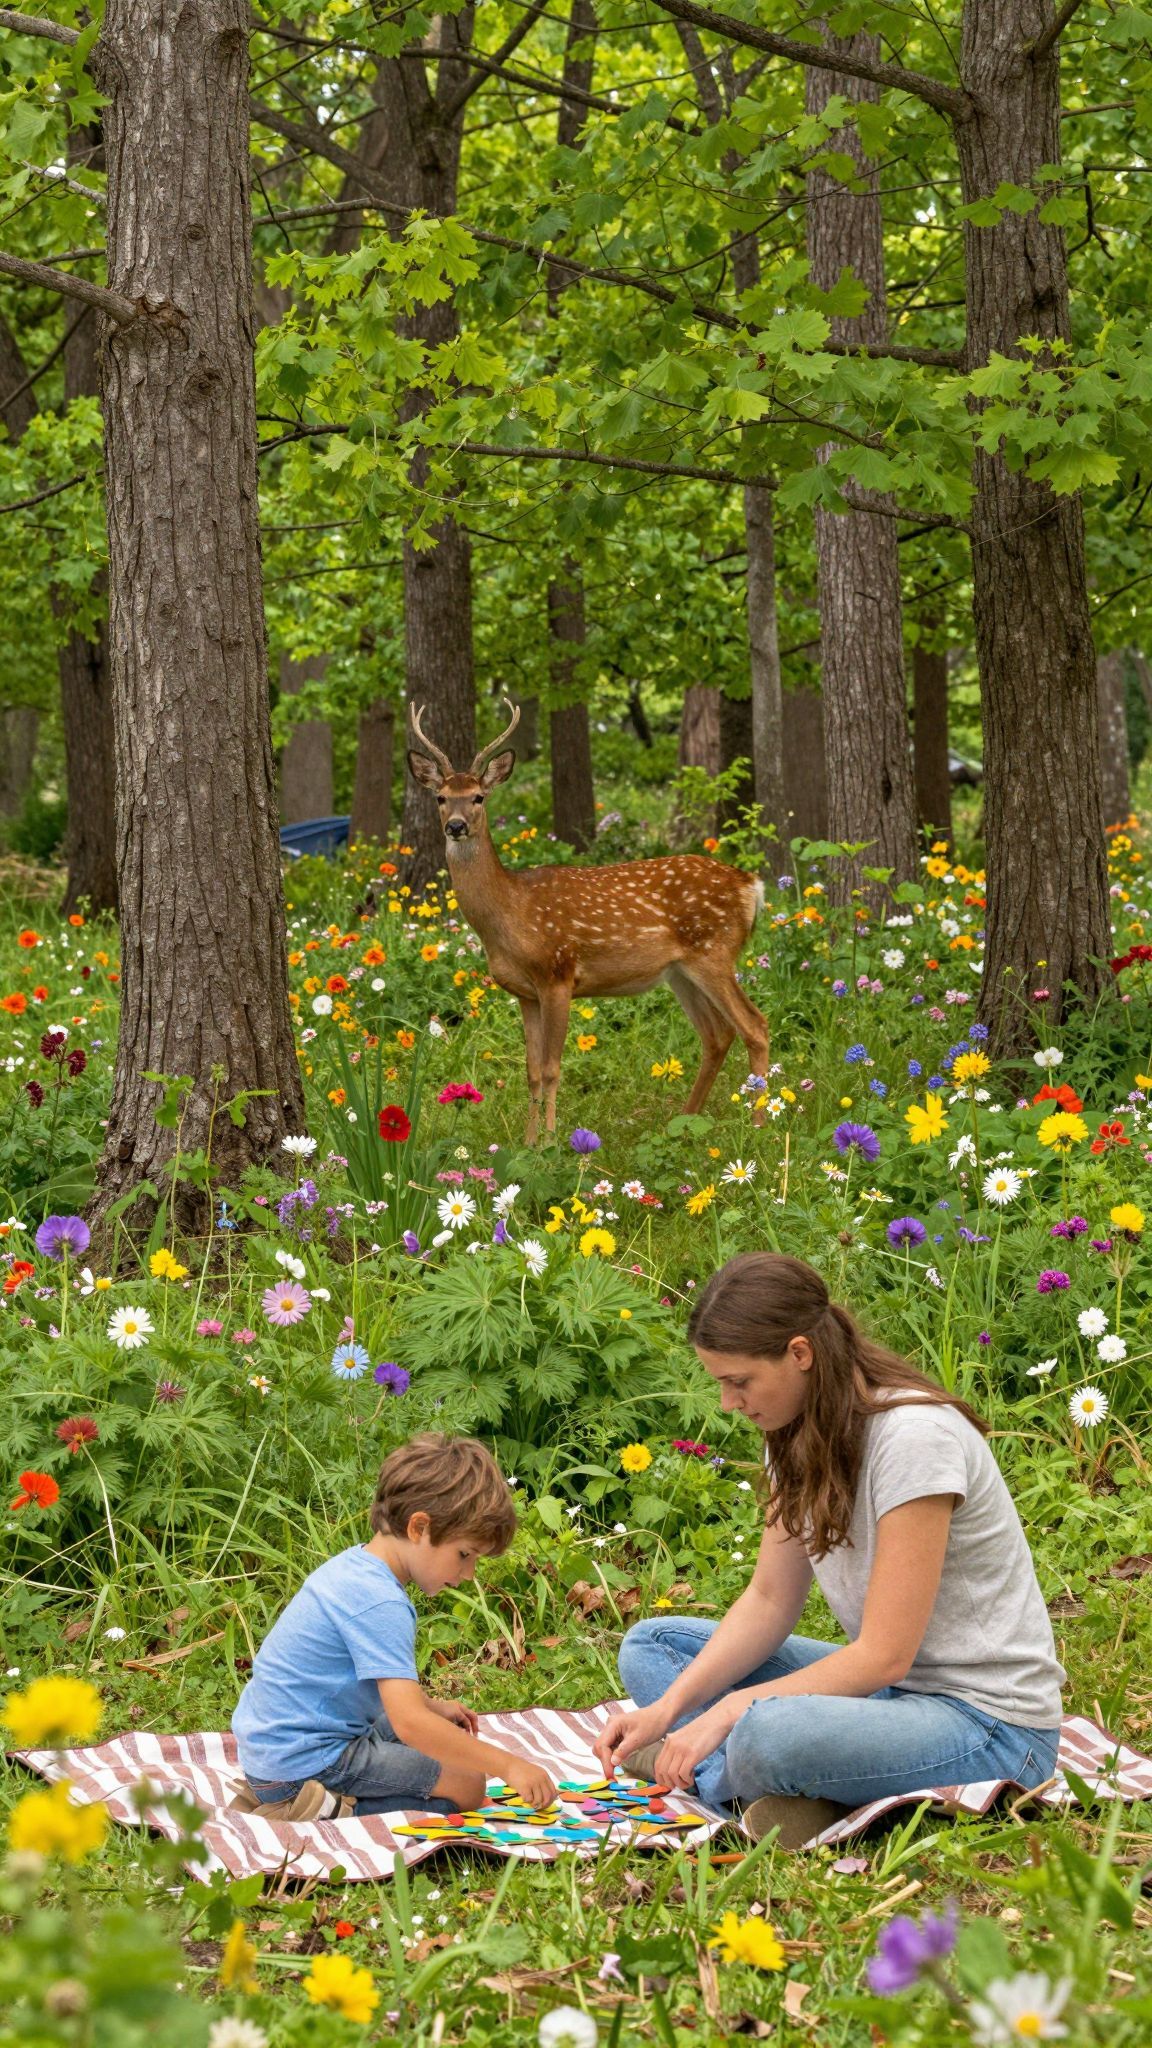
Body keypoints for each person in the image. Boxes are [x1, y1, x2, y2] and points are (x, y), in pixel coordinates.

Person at [595, 1253, 1064, 1847]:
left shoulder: (916, 1438)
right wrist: (670, 1710)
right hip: (895, 1701)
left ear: (799, 1354)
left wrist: (723, 1714)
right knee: (655, 1648)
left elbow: (884, 1656)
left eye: (738, 1381)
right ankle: (782, 1789)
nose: (727, 1403)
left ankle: (731, 1777)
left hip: (990, 1727)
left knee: (767, 1731)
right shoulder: (791, 1434)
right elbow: (769, 1600)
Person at [230, 1433, 556, 1821]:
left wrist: (432, 1707)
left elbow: (373, 1694)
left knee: (437, 1742)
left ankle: (294, 1795)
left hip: (274, 1750)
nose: (468, 1574)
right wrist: (510, 1766)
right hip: (303, 1763)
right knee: (468, 1783)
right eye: (464, 1554)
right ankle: (314, 1807)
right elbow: (410, 1723)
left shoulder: (356, 1566)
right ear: (419, 1528)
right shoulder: (381, 1602)